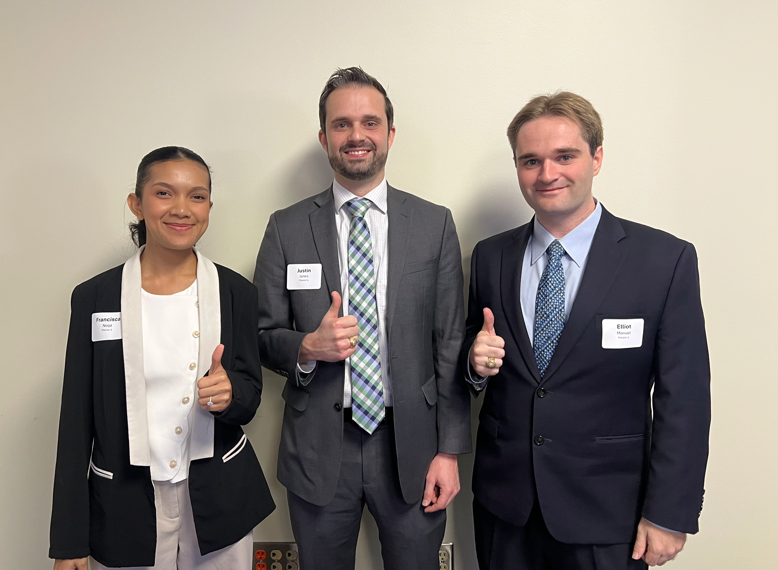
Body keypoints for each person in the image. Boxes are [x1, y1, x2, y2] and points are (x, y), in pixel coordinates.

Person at [461, 92, 711, 570]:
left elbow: (685, 399)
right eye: (530, 161)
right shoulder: (491, 257)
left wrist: (669, 513)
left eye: (564, 156)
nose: (547, 173)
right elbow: (470, 356)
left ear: (596, 158)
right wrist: (473, 363)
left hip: (610, 516)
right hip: (506, 509)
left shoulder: (664, 260)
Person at [253, 67, 471, 570]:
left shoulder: (434, 224)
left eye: (370, 122)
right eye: (342, 124)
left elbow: (449, 343)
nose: (357, 135)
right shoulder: (287, 228)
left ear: (390, 133)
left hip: (413, 445)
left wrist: (449, 451)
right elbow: (263, 335)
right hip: (317, 450)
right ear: (324, 137)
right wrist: (307, 348)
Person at [49, 147, 275, 570]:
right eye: (164, 193)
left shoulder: (237, 292)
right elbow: (76, 420)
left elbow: (250, 396)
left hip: (219, 496)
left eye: (197, 196)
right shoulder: (95, 297)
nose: (182, 208)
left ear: (209, 208)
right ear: (137, 204)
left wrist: (231, 395)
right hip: (124, 501)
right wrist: (69, 539)